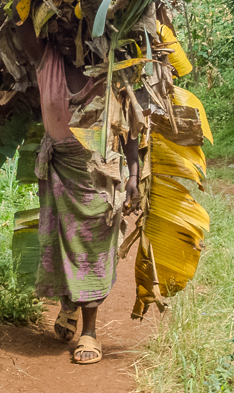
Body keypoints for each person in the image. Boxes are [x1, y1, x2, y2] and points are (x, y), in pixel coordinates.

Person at [18, 23, 140, 365]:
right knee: (59, 244)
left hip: (100, 174)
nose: (73, 40)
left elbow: (129, 120)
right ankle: (68, 304)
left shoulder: (114, 65)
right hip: (59, 170)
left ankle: (90, 332)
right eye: (65, 30)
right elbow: (20, 23)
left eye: (81, 31)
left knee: (93, 251)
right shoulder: (47, 61)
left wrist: (135, 170)